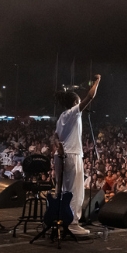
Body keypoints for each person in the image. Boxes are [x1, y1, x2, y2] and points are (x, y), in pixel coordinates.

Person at [51, 74, 101, 236]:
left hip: (61, 156)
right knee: (75, 191)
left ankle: (59, 219)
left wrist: (58, 147)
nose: (81, 104)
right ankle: (72, 223)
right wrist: (97, 81)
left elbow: (55, 137)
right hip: (72, 155)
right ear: (74, 103)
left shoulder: (61, 117)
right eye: (78, 102)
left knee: (62, 190)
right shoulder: (73, 112)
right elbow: (90, 96)